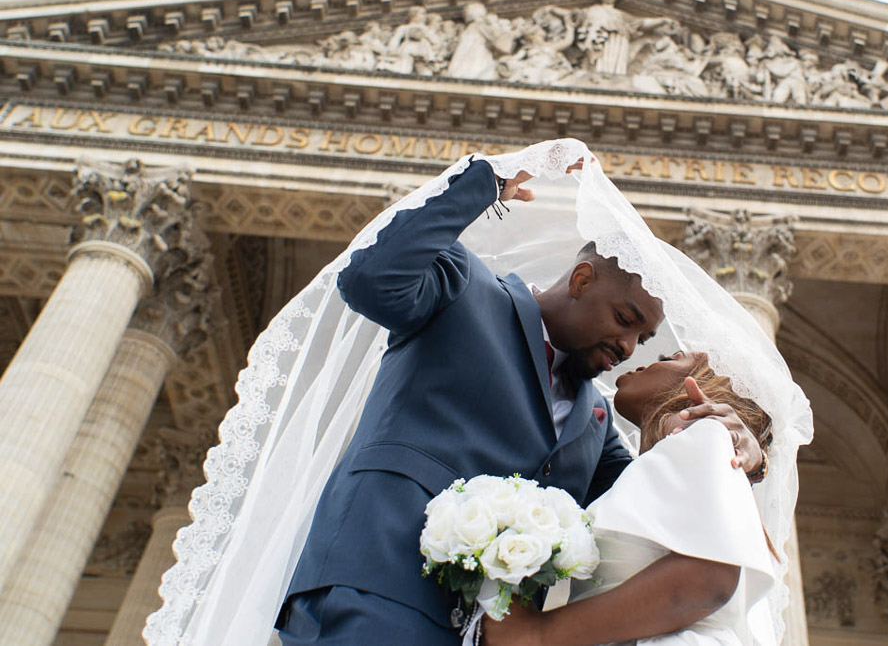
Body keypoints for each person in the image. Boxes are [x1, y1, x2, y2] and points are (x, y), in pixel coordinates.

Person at [145, 140, 811, 646]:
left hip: (485, 631)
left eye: (643, 340)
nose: (628, 348)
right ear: (581, 279)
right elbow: (372, 280)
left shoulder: (595, 418)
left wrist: (734, 452)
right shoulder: (467, 293)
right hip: (376, 586)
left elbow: (644, 521)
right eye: (625, 321)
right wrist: (479, 184)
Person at [484, 351, 777, 646]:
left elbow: (710, 578)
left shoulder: (706, 432)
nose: (642, 355)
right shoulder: (645, 468)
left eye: (669, 357)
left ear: (701, 384)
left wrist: (539, 633)